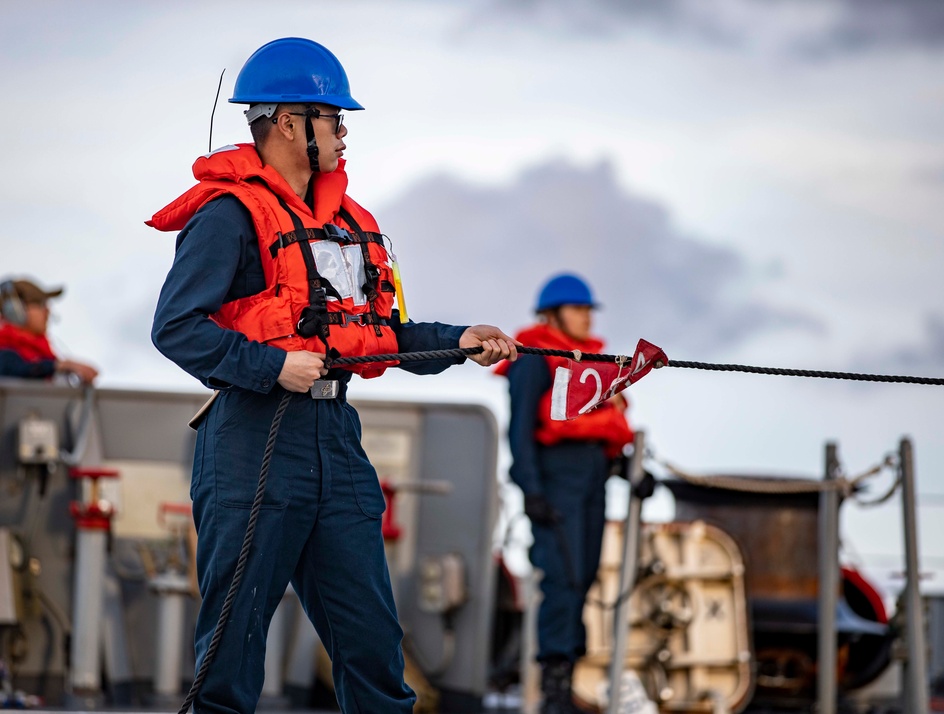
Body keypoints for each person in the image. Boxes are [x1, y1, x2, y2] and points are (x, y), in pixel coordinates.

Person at [147, 38, 518, 714]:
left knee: (375, 655)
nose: (346, 133)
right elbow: (175, 327)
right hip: (251, 443)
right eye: (334, 119)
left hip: (335, 446)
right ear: (287, 121)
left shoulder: (351, 227)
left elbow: (380, 334)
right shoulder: (227, 216)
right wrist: (271, 366)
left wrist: (459, 341)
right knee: (228, 665)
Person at [495, 273, 634, 714]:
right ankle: (555, 692)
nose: (587, 316)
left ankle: (567, 682)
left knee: (585, 576)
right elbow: (519, 431)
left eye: (589, 309)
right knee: (562, 580)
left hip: (593, 482)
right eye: (578, 308)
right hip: (555, 483)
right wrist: (531, 490)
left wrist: (629, 469)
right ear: (552, 314)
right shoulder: (534, 358)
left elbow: (604, 433)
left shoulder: (593, 365)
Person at [0, 278, 99, 384]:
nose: (48, 311)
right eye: (41, 304)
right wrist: (60, 366)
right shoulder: (5, 350)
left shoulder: (44, 353)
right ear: (15, 311)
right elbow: (16, 370)